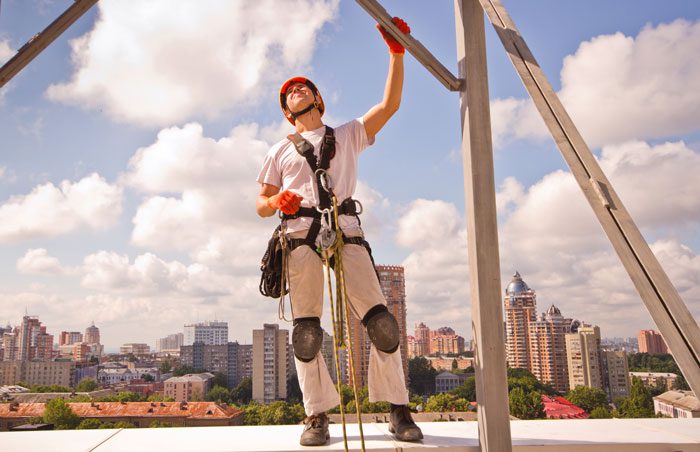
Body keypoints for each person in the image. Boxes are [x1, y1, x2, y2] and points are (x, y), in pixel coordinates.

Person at [255, 17, 422, 446]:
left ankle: (397, 408)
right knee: (307, 332)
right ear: (285, 110)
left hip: (345, 228)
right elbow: (260, 203)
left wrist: (396, 52)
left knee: (382, 324)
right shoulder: (278, 150)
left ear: (318, 99)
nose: (296, 89)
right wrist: (278, 202)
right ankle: (317, 416)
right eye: (289, 91)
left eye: (303, 86)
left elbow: (390, 106)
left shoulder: (346, 134)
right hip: (299, 234)